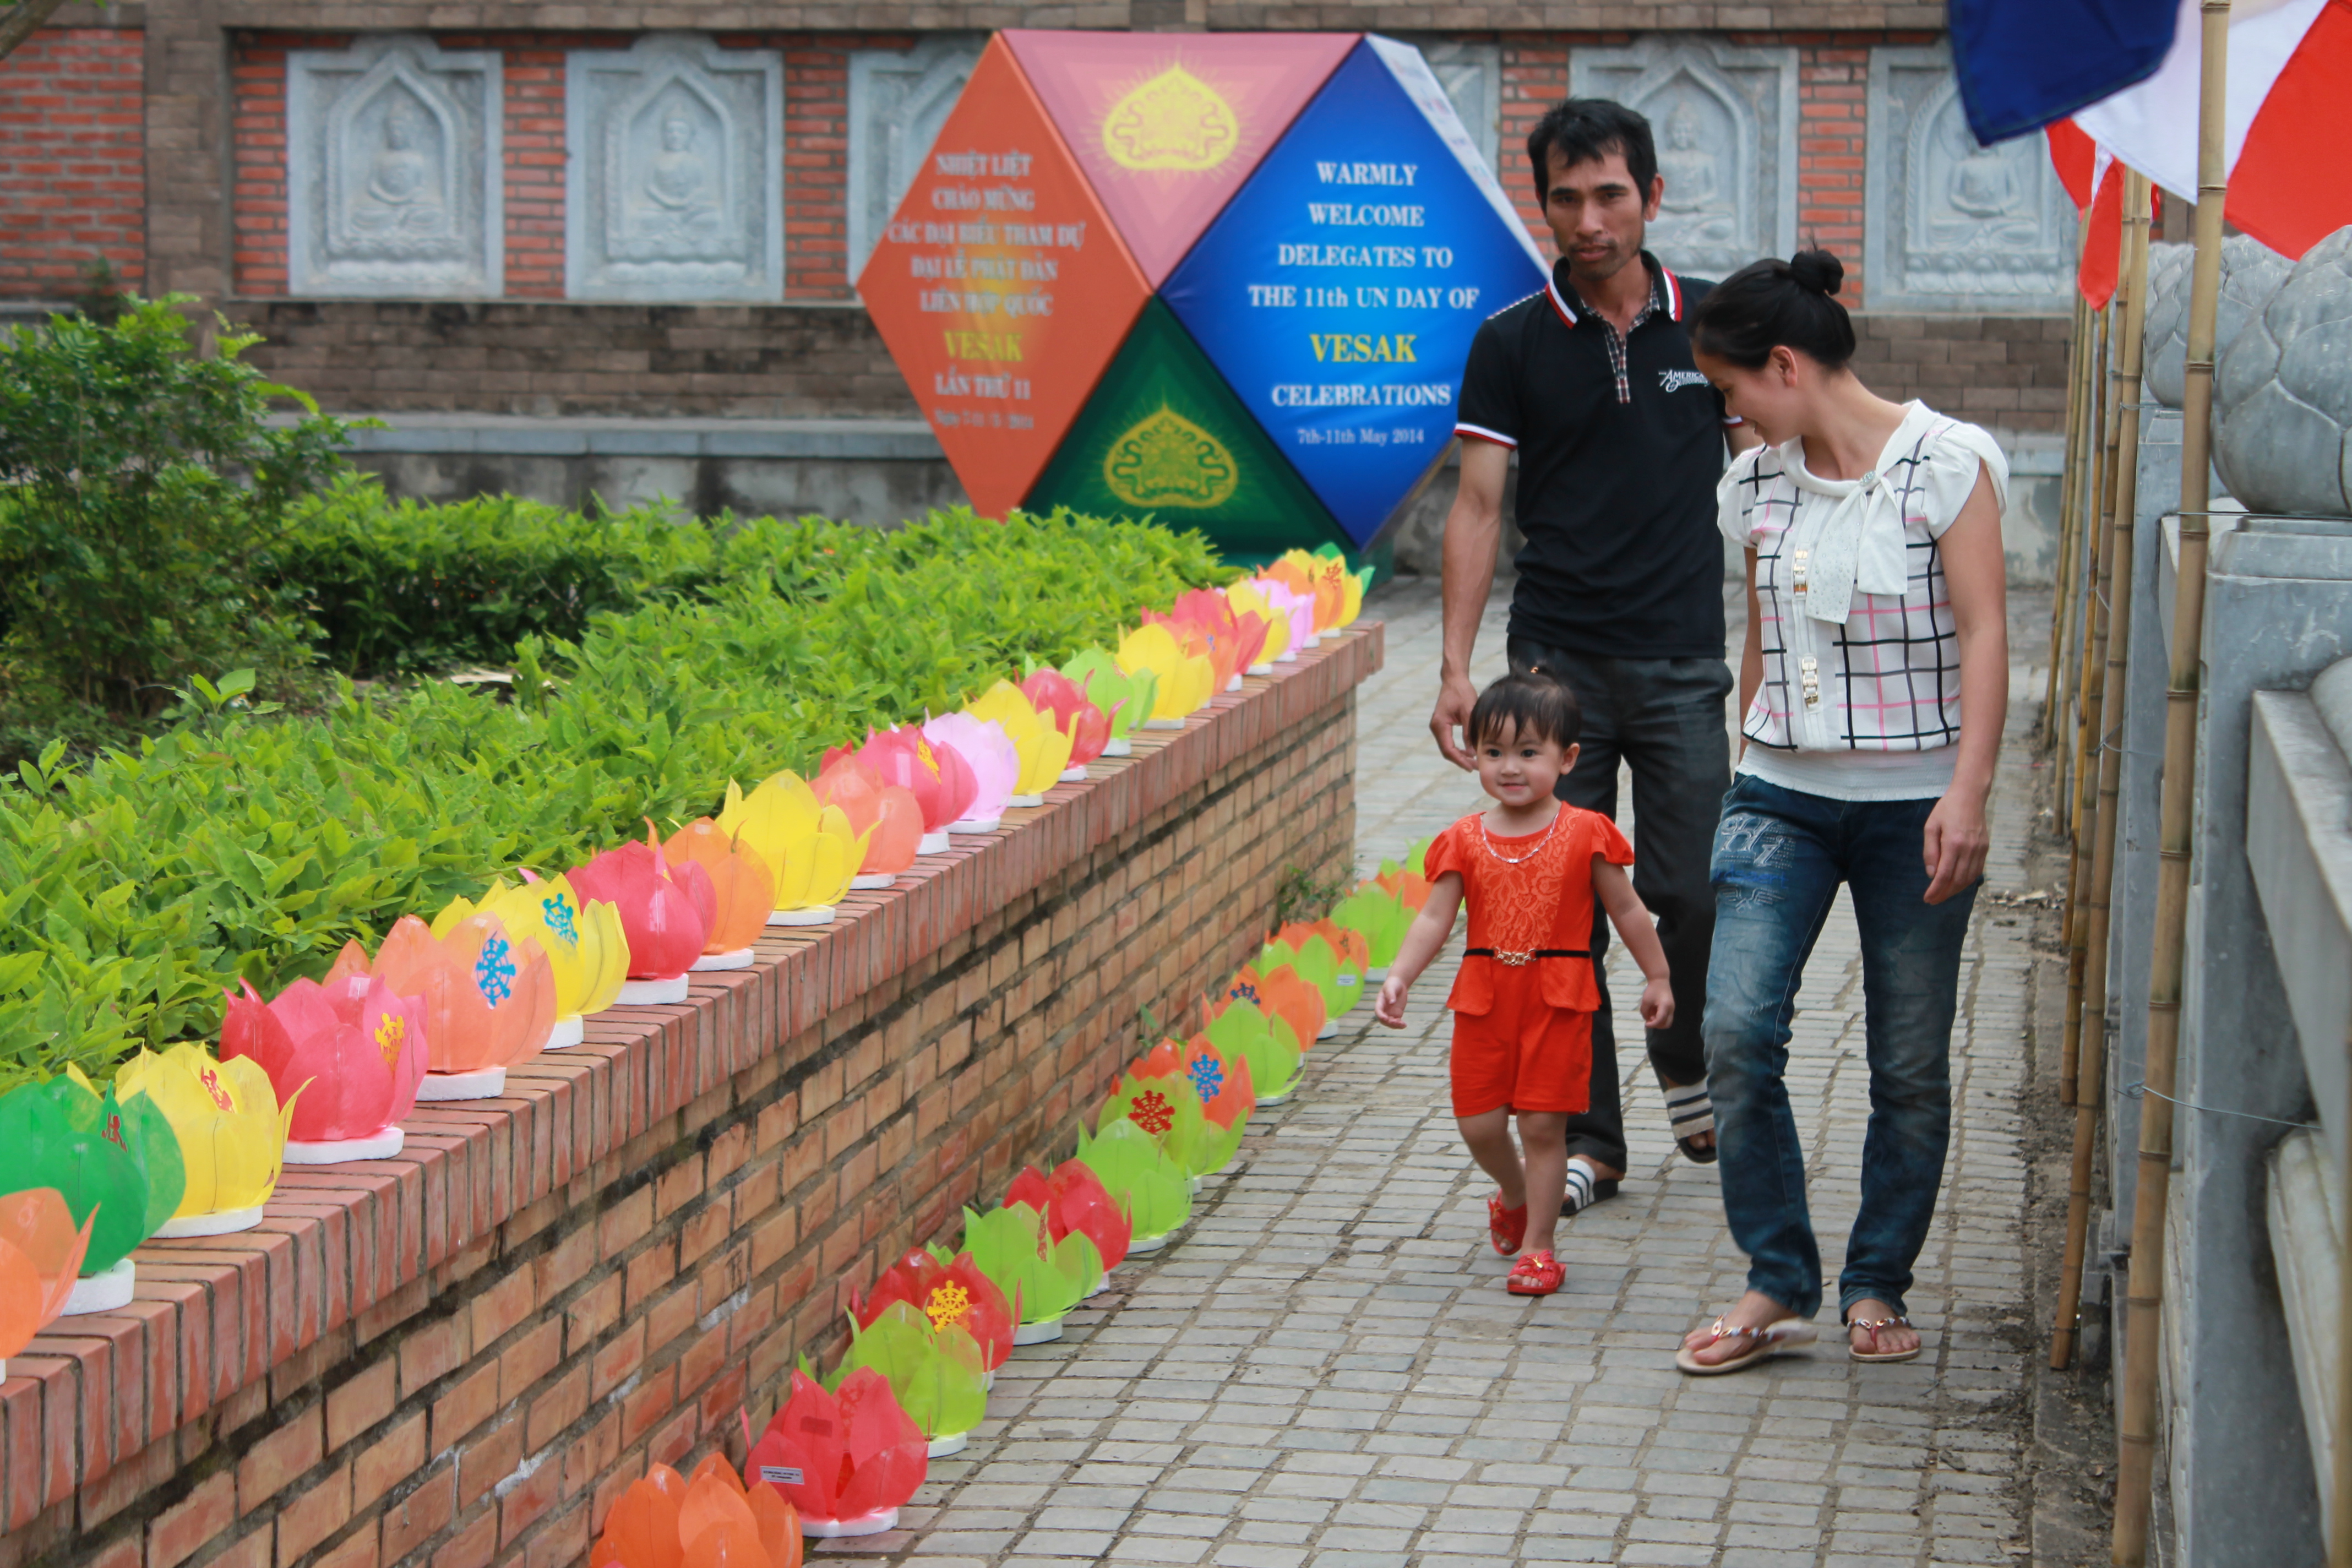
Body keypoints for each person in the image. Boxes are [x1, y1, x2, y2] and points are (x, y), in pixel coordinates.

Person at [1673, 248, 2007, 1375]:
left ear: (1783, 363)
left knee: (1909, 1059)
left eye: (1731, 389)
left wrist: (1970, 789)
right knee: (1734, 1031)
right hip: (1780, 795)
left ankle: (1877, 1279)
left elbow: (1986, 632)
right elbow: (1764, 629)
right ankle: (1778, 1276)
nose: (1729, 411)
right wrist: (1749, 749)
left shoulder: (1948, 462)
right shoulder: (1758, 477)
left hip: (1917, 800)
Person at [1436, 97, 1758, 1217]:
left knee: (1690, 890)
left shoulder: (1715, 327)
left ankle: (1686, 1059)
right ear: (1546, 206)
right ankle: (1594, 1143)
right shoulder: (1510, 340)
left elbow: (1767, 499)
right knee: (1554, 915)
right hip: (1557, 668)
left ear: (1652, 196)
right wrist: (1454, 667)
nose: (1588, 218)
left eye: (1610, 193)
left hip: (1681, 662)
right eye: (1565, 198)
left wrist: (1767, 656)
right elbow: (1479, 508)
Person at [1376, 673, 1675, 1297]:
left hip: (1559, 999)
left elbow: (1625, 909)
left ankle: (1539, 1246)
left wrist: (1658, 974)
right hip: (1484, 996)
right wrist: (1401, 974)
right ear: (1475, 754)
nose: (1509, 768)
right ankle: (1512, 1192)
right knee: (1479, 1123)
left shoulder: (1588, 832)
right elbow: (1436, 917)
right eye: (1493, 752)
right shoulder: (1463, 839)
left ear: (1567, 759)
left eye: (1528, 752)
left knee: (1544, 1129)